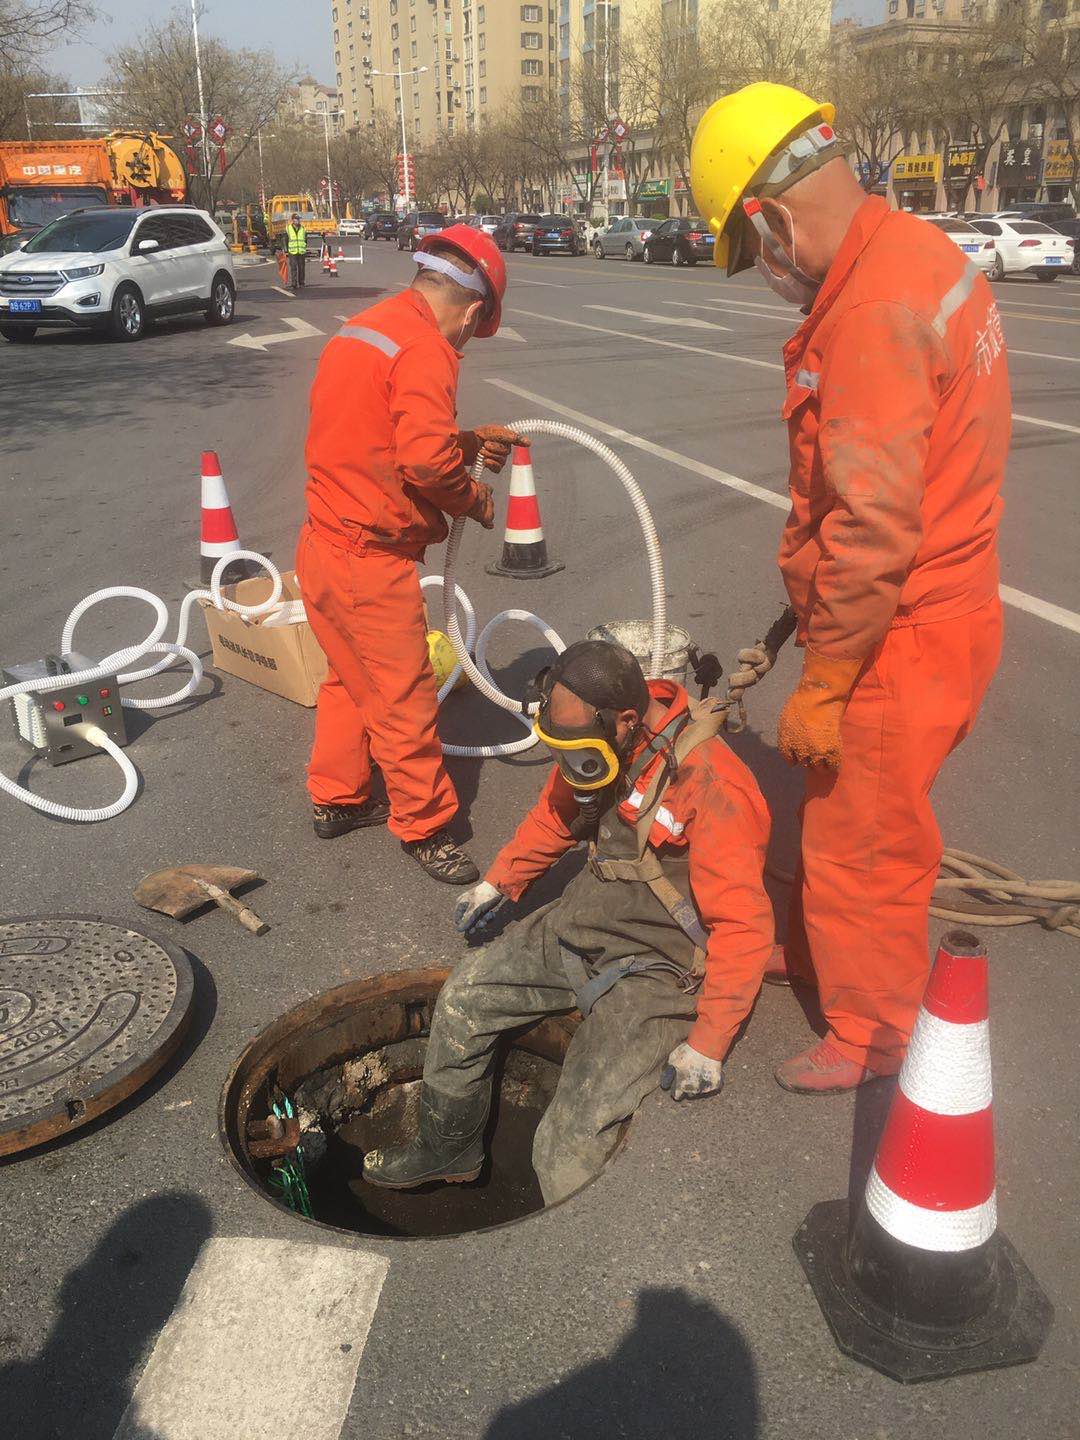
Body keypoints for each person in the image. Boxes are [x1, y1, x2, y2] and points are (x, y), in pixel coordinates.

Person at [690, 83, 1007, 1092]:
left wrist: (824, 679)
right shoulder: (916, 251)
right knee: (850, 812)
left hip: (897, 629)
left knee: (864, 835)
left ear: (770, 218)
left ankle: (874, 1030)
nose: (770, 279)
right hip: (944, 603)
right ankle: (835, 956)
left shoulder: (870, 309)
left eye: (758, 259)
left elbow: (871, 525)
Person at [362, 639, 774, 1204]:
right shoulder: (595, 741)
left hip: (657, 969)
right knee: (463, 998)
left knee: (566, 1142)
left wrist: (709, 1043)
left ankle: (578, 1268)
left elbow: (744, 926)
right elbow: (556, 815)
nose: (572, 761)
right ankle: (447, 1148)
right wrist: (500, 880)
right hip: (584, 921)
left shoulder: (712, 785)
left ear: (626, 721)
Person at [296, 225, 522, 884]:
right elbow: (423, 459)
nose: (464, 345)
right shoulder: (427, 348)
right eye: (471, 331)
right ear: (473, 309)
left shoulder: (366, 327)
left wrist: (468, 439)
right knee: (403, 699)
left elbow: (374, 430)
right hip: (371, 561)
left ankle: (337, 798)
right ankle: (425, 826)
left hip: (323, 546)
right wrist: (472, 497)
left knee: (348, 678)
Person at [285, 212, 307, 290]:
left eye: (299, 219)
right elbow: (286, 240)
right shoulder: (288, 228)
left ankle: (301, 283)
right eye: (296, 219)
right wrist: (286, 250)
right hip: (292, 251)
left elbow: (305, 239)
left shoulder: (303, 228)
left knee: (301, 267)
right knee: (293, 267)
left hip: (301, 251)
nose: (298, 221)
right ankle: (294, 283)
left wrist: (304, 247)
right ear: (293, 220)